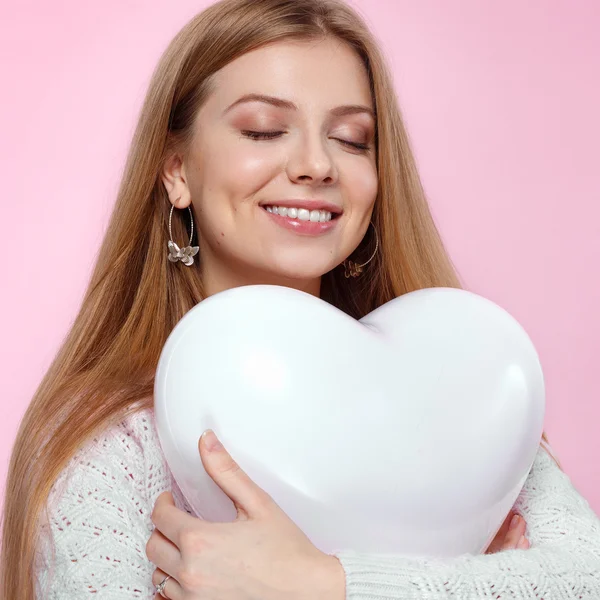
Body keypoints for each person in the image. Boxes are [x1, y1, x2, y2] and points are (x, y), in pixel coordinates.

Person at [2, 0, 599, 597]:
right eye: (263, 129)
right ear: (177, 170)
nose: (317, 165)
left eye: (351, 139)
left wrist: (322, 584)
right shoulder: (114, 452)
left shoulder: (457, 402)